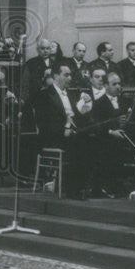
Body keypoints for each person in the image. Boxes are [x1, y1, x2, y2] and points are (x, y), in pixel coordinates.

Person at [33, 63, 92, 198]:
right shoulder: (44, 95)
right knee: (78, 144)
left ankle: (87, 186)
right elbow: (43, 122)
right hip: (53, 137)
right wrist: (63, 131)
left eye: (70, 74)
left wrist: (85, 109)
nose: (70, 78)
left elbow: (76, 116)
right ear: (55, 76)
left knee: (90, 139)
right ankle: (73, 189)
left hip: (71, 134)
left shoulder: (71, 94)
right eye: (66, 75)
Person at [88, 71, 131, 197]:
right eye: (114, 84)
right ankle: (110, 186)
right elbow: (96, 126)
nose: (118, 87)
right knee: (109, 149)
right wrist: (111, 132)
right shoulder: (98, 103)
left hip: (126, 136)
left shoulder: (125, 101)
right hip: (106, 138)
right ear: (106, 86)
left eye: (119, 84)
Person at [22, 39, 55, 104]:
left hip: (53, 98)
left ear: (50, 50)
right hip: (35, 98)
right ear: (38, 50)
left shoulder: (55, 63)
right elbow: (25, 83)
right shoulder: (31, 63)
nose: (45, 51)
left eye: (47, 48)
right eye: (42, 48)